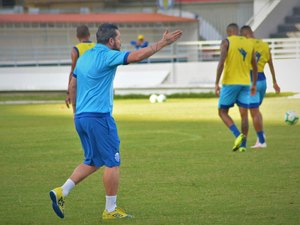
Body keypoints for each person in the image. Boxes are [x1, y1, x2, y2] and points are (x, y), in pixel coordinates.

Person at [49, 23, 182, 220]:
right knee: (112, 162)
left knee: (93, 161)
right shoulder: (107, 55)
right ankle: (110, 210)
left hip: (82, 118)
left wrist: (77, 112)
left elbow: (73, 84)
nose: (121, 41)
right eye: (119, 38)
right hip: (99, 118)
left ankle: (62, 191)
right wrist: (162, 43)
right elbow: (137, 56)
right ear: (111, 41)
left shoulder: (85, 57)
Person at [215, 23, 258, 152]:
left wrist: (216, 82)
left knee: (222, 112)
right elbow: (255, 66)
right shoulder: (249, 44)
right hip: (245, 83)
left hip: (230, 83)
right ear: (238, 32)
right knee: (244, 115)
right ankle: (243, 145)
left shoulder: (226, 42)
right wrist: (254, 84)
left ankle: (237, 135)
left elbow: (221, 62)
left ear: (228, 32)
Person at [240, 25, 280, 148]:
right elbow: (271, 63)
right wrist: (275, 82)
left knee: (254, 112)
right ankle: (261, 136)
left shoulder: (245, 45)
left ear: (244, 35)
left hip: (252, 81)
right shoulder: (264, 45)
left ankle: (262, 141)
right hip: (263, 81)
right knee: (256, 110)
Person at [65, 25, 95, 113]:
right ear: (89, 34)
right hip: (95, 86)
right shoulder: (97, 47)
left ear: (77, 36)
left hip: (81, 87)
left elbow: (73, 72)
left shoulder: (76, 50)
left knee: (79, 114)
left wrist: (68, 93)